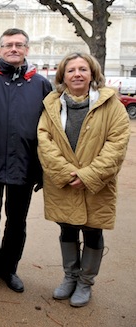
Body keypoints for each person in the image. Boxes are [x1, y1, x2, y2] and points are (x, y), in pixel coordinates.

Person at [38, 53, 130, 307]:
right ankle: (70, 277)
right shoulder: (52, 105)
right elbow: (44, 141)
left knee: (92, 230)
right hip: (63, 182)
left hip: (97, 184)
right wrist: (67, 174)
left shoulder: (112, 105)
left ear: (93, 74)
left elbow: (117, 145)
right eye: (71, 70)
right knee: (66, 227)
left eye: (83, 69)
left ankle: (85, 282)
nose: (77, 74)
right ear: (62, 76)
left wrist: (87, 176)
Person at [0, 28, 52, 293]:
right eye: (8, 45)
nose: (14, 49)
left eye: (19, 45)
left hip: (24, 164)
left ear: (27, 50)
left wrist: (44, 168)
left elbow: (50, 128)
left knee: (16, 221)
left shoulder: (41, 84)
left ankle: (10, 268)